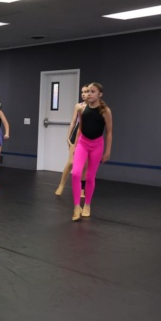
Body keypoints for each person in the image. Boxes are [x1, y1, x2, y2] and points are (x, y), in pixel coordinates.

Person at [71, 82, 113, 221]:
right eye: (88, 91)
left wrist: (107, 151)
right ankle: (76, 206)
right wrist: (75, 145)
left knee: (90, 177)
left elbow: (109, 132)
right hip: (83, 143)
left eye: (92, 91)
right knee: (76, 173)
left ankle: (87, 205)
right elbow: (80, 128)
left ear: (100, 94)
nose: (89, 94)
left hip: (96, 145)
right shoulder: (82, 108)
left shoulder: (105, 111)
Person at [55, 85, 88, 196]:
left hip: (88, 135)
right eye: (82, 92)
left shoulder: (95, 108)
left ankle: (82, 189)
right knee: (71, 162)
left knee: (85, 165)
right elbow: (73, 121)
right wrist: (68, 136)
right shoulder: (79, 106)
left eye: (86, 92)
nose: (83, 94)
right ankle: (61, 185)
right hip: (77, 134)